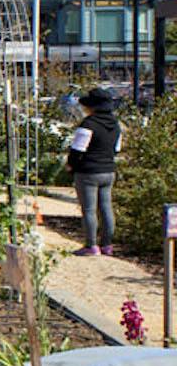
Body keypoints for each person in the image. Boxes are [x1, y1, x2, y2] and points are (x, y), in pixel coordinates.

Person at [68, 86, 121, 256]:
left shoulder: (88, 124)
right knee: (106, 207)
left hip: (88, 172)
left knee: (89, 210)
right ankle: (107, 244)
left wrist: (71, 166)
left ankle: (91, 245)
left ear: (92, 106)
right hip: (108, 170)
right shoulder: (116, 125)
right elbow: (116, 149)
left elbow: (77, 150)